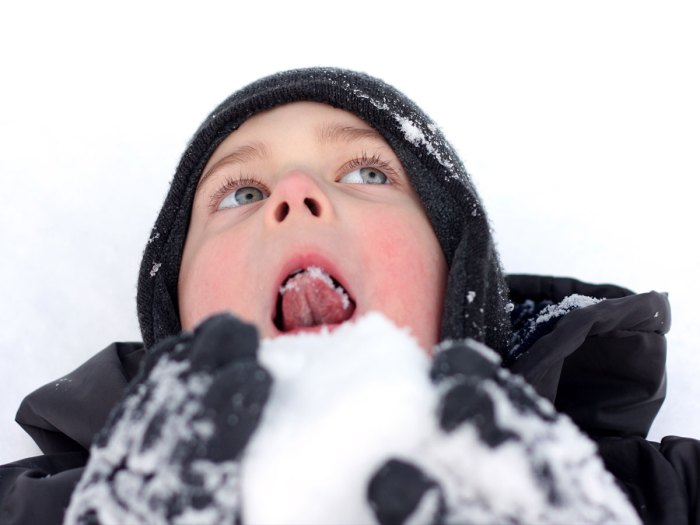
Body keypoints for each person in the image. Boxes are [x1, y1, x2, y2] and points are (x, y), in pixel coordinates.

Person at [0, 68, 697, 524]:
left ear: (462, 281)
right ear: (172, 316)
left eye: (365, 172)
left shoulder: (655, 495)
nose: (296, 193)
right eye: (242, 192)